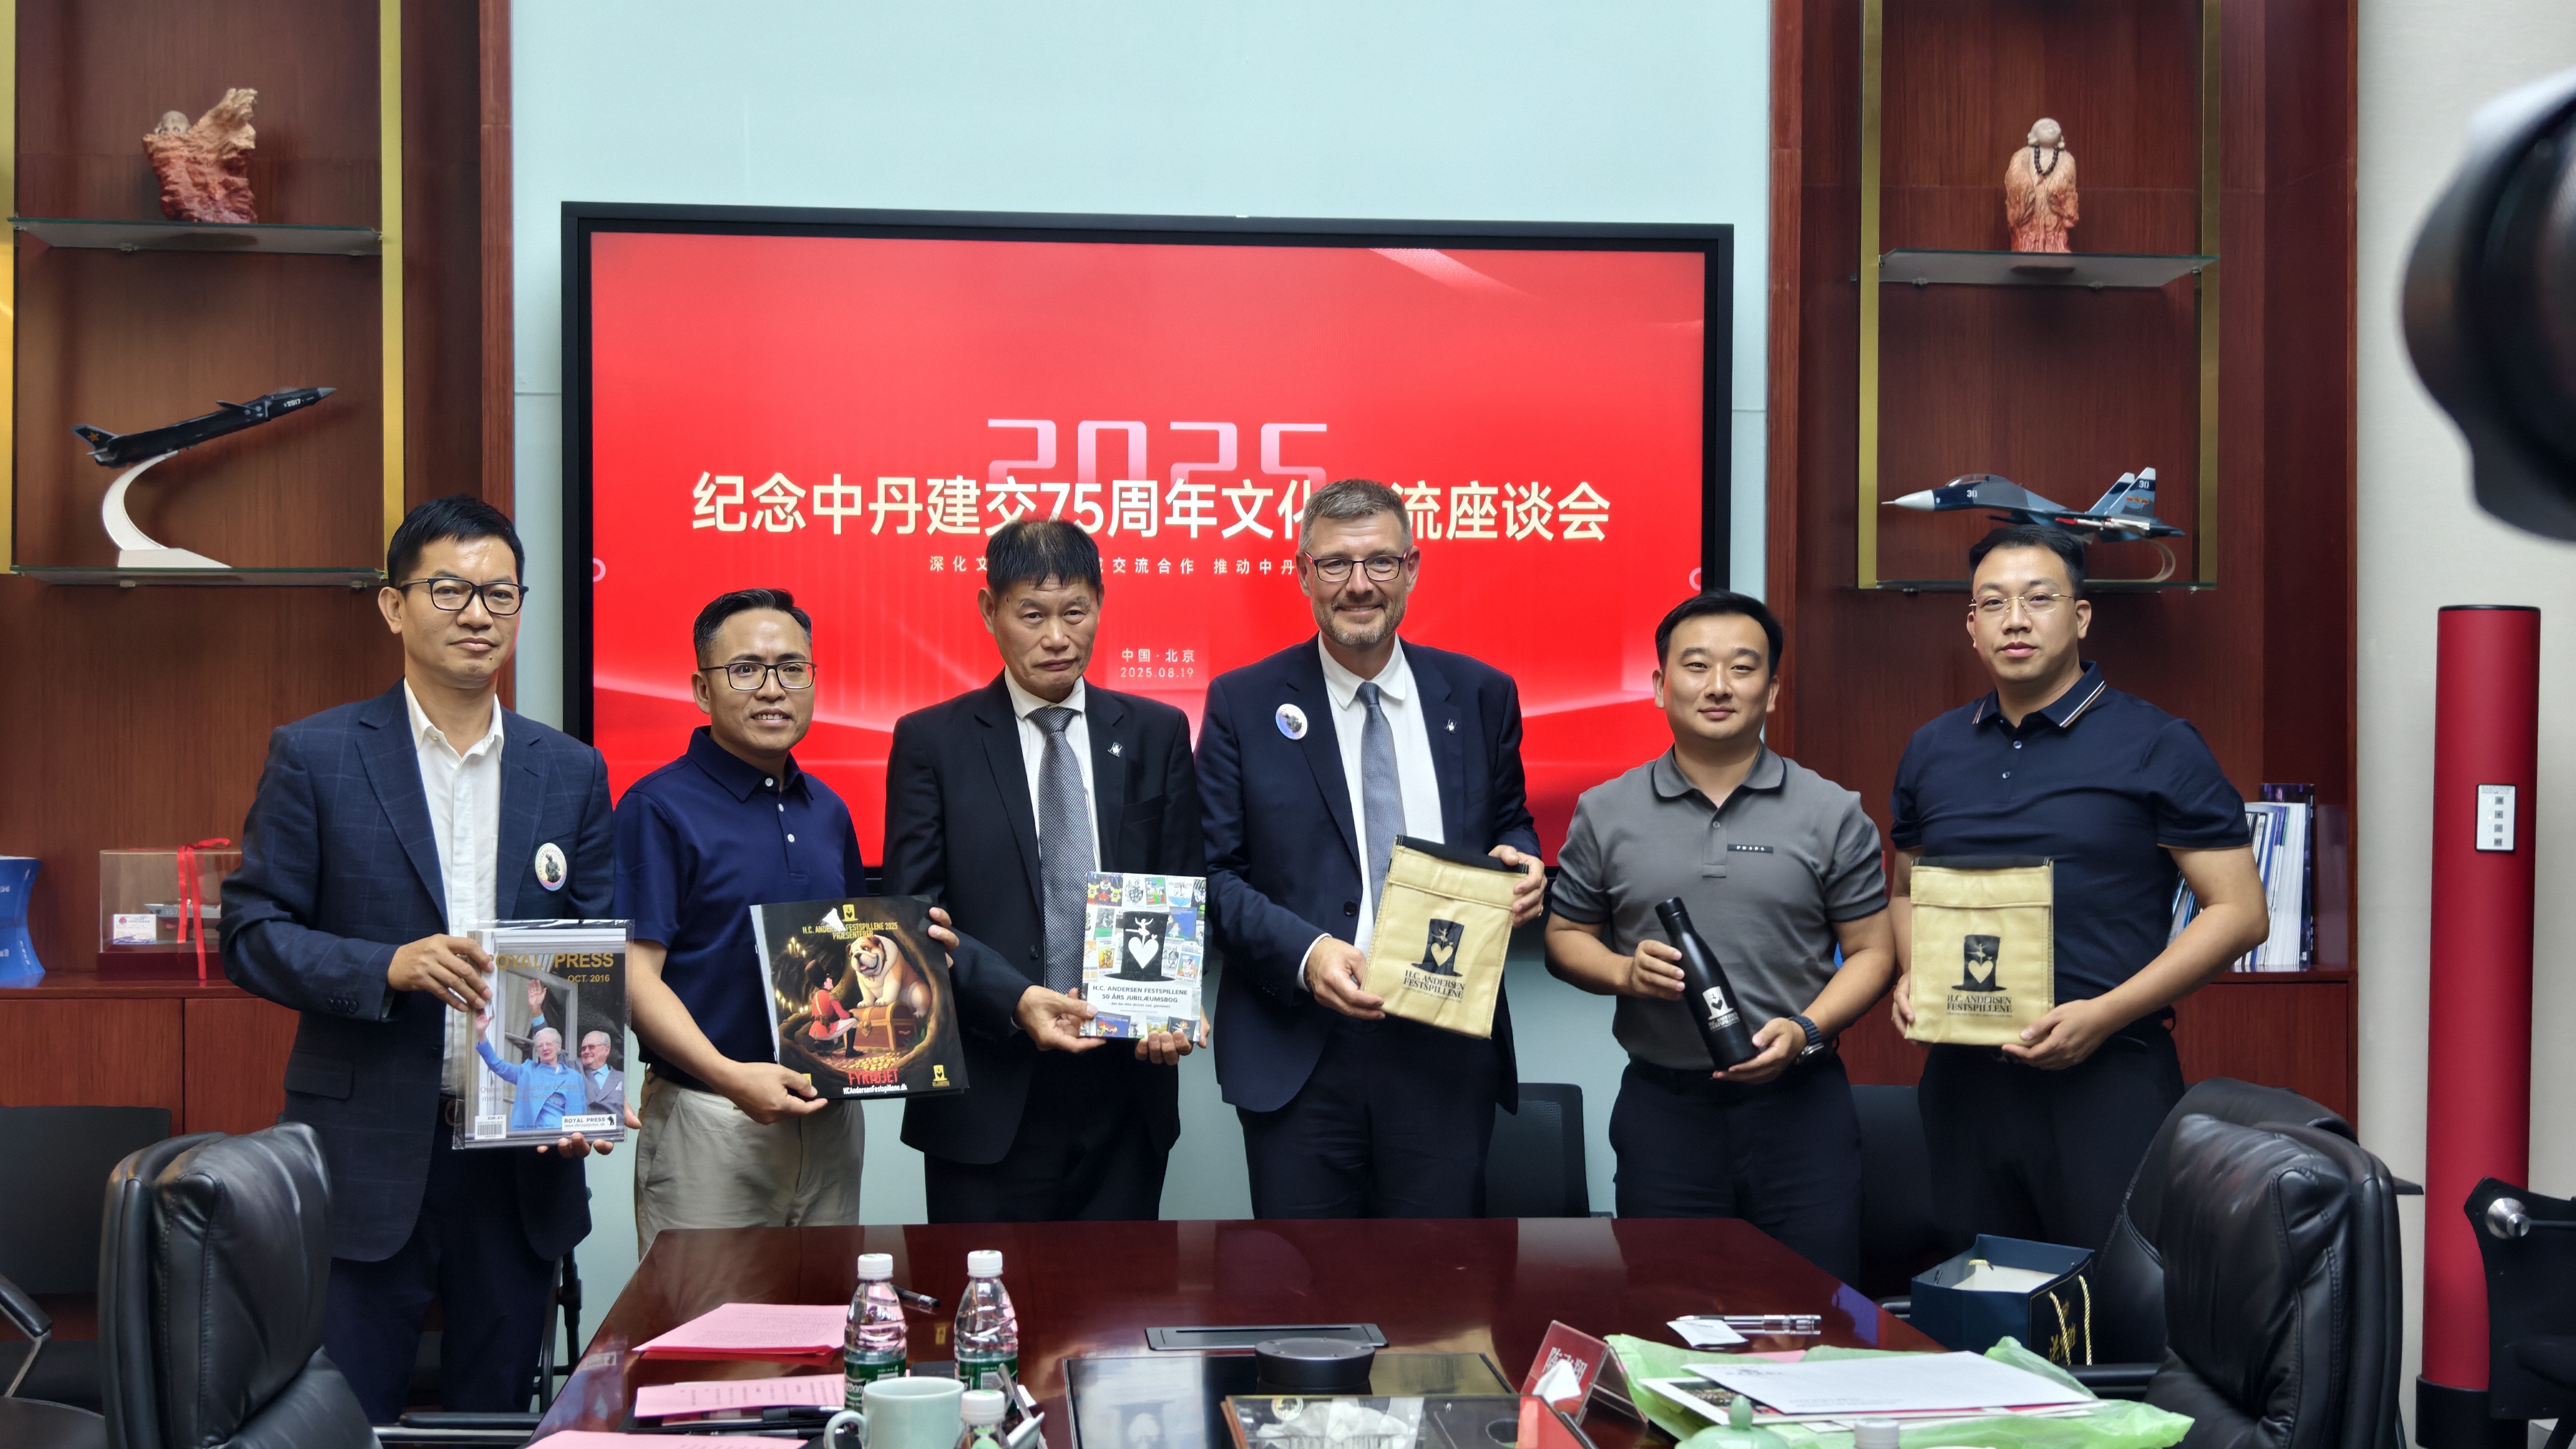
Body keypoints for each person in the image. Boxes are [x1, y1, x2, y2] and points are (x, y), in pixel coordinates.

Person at [221, 495, 625, 1423]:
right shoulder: (317, 754)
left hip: (520, 1159)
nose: (477, 614)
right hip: (366, 1154)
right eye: (449, 590)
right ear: (394, 605)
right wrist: (384, 967)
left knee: (498, 1416)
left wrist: (587, 1099)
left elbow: (589, 951)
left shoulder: (570, 770)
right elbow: (249, 934)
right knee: (344, 1420)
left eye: (499, 594)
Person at [1888, 526, 2270, 1252]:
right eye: (1993, 603)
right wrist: (1916, 974)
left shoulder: (2156, 743)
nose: (2015, 620)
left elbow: (2240, 913)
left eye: (2039, 599)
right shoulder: (1931, 749)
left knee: (2107, 1300)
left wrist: (2100, 1016)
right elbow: (1907, 891)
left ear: (2080, 615)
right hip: (1964, 1083)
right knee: (1977, 1295)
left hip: (2106, 1077)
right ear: (1971, 625)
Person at [1197, 478, 1546, 1218]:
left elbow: (1510, 821)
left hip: (1445, 1046)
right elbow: (1214, 876)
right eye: (1335, 564)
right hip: (1299, 1046)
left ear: (1411, 569)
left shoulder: (1479, 694)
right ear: (1303, 573)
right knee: (1302, 1281)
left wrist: (1522, 862)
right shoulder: (1243, 703)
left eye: (1381, 562)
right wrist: (1308, 953)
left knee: (1439, 1280)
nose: (1359, 585)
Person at [613, 587, 995, 1252]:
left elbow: (849, 959)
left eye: (792, 668)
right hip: (713, 1118)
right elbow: (634, 979)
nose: (773, 689)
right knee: (706, 1318)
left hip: (829, 1118)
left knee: (824, 1311)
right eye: (746, 670)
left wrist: (912, 950)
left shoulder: (829, 811)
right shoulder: (657, 807)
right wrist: (731, 1077)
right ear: (702, 690)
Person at [1543, 592, 1896, 1282]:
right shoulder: (1605, 810)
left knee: (1811, 1314)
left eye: (1742, 667)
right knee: (1665, 1311)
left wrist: (1805, 1029)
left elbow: (1873, 952)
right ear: (1659, 686)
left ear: (1772, 690)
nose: (1718, 686)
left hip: (1802, 1107)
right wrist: (1623, 973)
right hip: (1665, 1111)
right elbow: (1564, 936)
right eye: (1697, 665)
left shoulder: (1831, 811)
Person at [883, 519, 1205, 1222]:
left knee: (1120, 1290)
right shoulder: (932, 742)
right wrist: (1015, 998)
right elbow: (914, 921)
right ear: (989, 610)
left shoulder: (1156, 733)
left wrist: (1171, 1003)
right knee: (986, 1294)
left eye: (1074, 613)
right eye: (1032, 615)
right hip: (989, 1090)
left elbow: (1180, 886)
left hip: (1126, 1092)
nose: (1057, 637)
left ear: (1100, 604)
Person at [477, 1024, 586, 1131]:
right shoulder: (526, 1072)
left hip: (564, 1136)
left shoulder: (574, 1077)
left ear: (559, 1046)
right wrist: (481, 1034)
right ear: (537, 1052)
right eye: (540, 1046)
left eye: (549, 1044)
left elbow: (582, 1113)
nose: (545, 1048)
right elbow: (498, 1065)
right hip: (532, 1136)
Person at [577, 1030, 623, 1114]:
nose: (586, 1051)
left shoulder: (622, 1078)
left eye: (591, 1047)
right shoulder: (575, 1073)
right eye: (583, 1048)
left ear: (606, 1050)